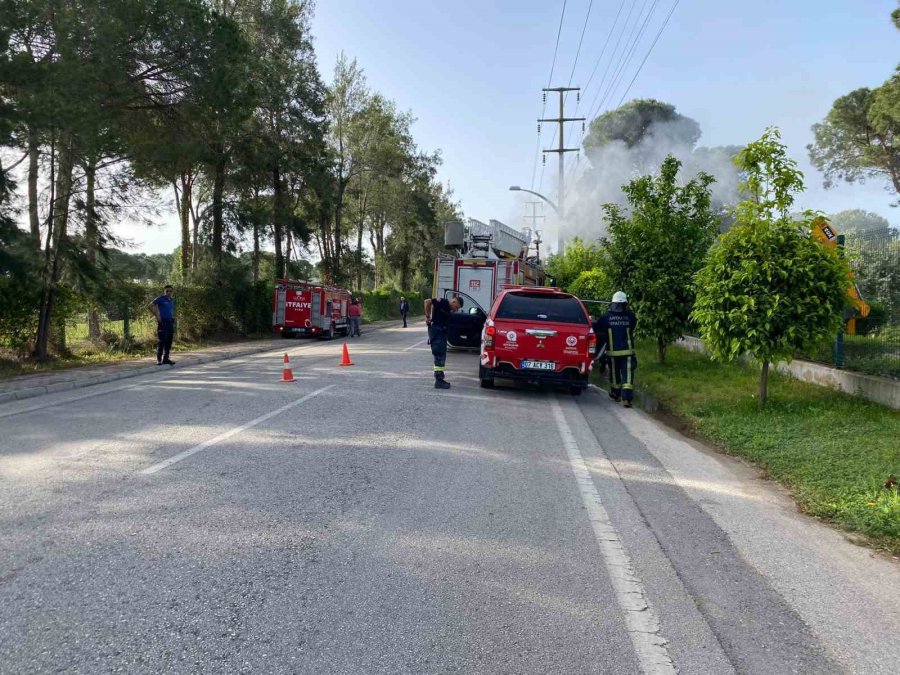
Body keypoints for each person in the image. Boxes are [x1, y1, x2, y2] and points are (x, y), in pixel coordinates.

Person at [595, 291, 637, 407]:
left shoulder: (605, 318)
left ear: (612, 303)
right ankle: (627, 399)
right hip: (627, 352)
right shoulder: (630, 316)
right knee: (628, 375)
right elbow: (633, 326)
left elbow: (598, 329)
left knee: (614, 374)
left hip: (612, 353)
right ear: (625, 304)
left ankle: (616, 394)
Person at [424, 295, 463, 389]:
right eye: (456, 307)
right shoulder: (443, 302)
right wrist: (427, 316)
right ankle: (438, 380)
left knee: (441, 356)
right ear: (454, 302)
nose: (456, 310)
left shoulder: (447, 308)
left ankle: (440, 379)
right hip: (437, 332)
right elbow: (427, 302)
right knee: (439, 356)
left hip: (440, 333)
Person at [149, 284, 176, 366]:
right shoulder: (160, 298)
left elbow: (170, 310)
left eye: (170, 291)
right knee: (162, 341)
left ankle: (166, 359)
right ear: (164, 291)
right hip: (163, 323)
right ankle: (159, 359)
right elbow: (150, 306)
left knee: (169, 341)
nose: (168, 292)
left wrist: (172, 317)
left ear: (172, 292)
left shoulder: (172, 300)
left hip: (170, 322)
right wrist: (157, 315)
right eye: (167, 291)